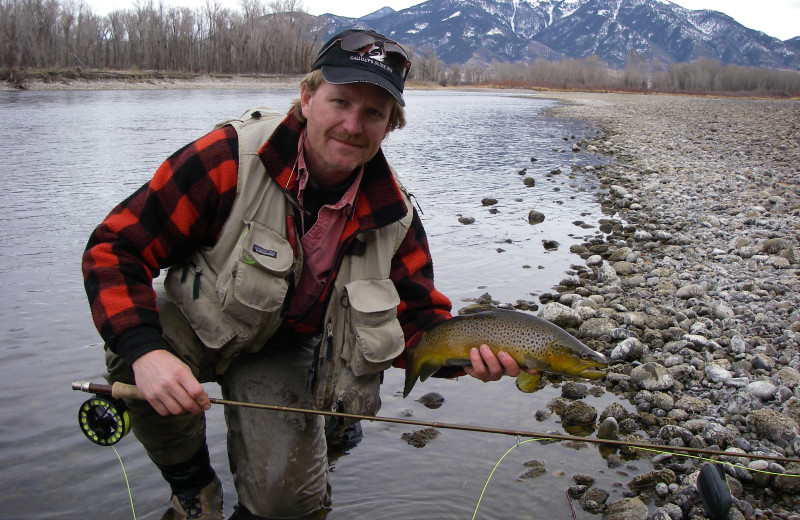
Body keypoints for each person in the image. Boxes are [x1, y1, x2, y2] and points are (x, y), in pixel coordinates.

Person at [82, 28, 531, 520]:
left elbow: (418, 323)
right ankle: (194, 489)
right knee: (130, 354)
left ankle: (323, 442)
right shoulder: (228, 158)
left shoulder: (393, 215)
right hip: (202, 319)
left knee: (289, 506)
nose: (353, 125)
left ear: (390, 126)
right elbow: (115, 246)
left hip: (292, 351)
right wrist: (145, 353)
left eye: (374, 113)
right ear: (306, 97)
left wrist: (467, 358)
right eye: (340, 101)